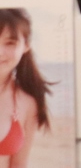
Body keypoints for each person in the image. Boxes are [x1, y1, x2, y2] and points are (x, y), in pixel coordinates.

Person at [0, 10, 51, 168]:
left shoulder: (28, 103)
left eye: (10, 43)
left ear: (26, 45)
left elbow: (19, 164)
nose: (0, 52)